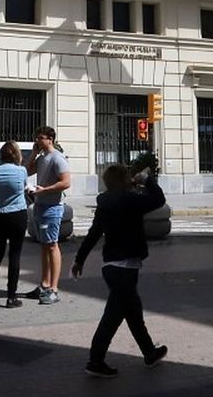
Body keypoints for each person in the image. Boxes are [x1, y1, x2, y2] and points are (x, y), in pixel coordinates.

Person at [71, 161, 169, 378]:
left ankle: (149, 353)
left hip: (111, 266)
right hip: (125, 268)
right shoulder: (130, 200)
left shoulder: (104, 203)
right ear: (124, 180)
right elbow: (158, 199)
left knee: (133, 312)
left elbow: (94, 233)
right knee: (112, 317)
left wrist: (79, 260)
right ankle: (95, 361)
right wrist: (147, 180)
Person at [25, 126, 70, 304]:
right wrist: (33, 154)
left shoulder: (57, 158)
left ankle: (54, 288)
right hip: (40, 205)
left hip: (52, 207)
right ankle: (44, 284)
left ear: (50, 139)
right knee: (44, 245)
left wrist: (44, 190)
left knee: (52, 245)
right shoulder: (42, 158)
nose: (37, 141)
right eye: (36, 138)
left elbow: (66, 182)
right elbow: (27, 171)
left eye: (40, 138)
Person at [0, 141, 28, 307]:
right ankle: (11, 297)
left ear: (1, 155)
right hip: (17, 214)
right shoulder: (21, 171)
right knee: (15, 255)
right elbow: (24, 186)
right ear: (16, 154)